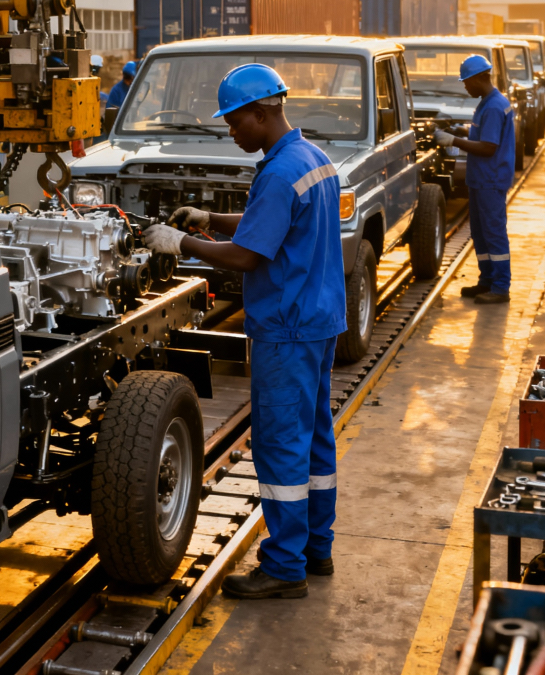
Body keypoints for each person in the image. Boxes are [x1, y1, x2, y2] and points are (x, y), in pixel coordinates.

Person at [142, 63, 347, 599]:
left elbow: (249, 255)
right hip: (320, 323)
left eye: (235, 123)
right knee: (314, 441)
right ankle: (315, 550)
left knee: (280, 447)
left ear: (263, 112)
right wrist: (210, 216)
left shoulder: (278, 173)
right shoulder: (312, 159)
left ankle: (283, 569)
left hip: (286, 328)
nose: (231, 132)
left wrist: (180, 243)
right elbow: (269, 221)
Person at [433, 55, 515, 305]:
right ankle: (487, 281)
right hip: (482, 180)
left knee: (493, 232)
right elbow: (484, 134)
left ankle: (500, 287)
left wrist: (453, 141)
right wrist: (461, 131)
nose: (465, 87)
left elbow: (489, 147)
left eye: (467, 82)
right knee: (480, 233)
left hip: (490, 180)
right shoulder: (488, 102)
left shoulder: (491, 106)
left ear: (481, 78)